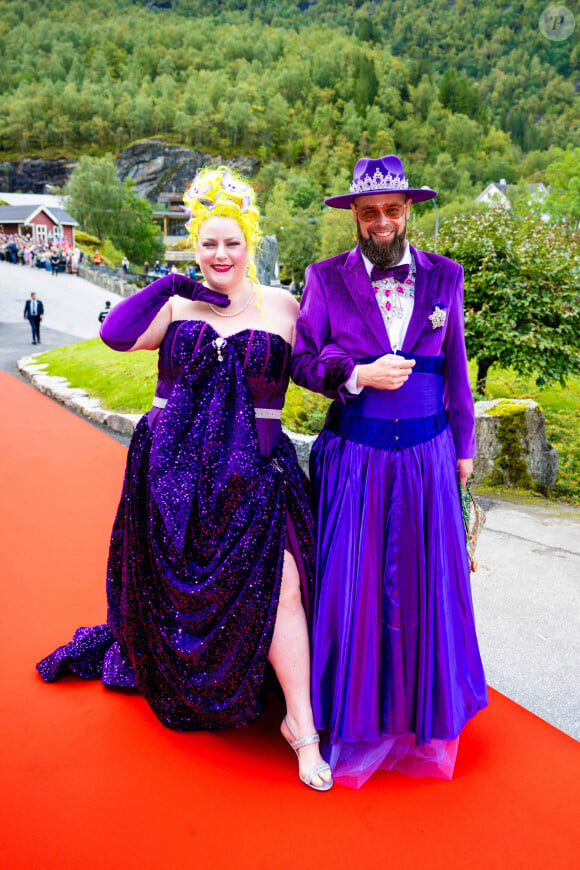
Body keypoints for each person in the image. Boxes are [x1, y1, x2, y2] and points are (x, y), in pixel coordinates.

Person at [37, 167, 332, 792]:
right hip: (173, 479)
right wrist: (171, 286)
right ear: (194, 247)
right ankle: (193, 678)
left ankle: (302, 731)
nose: (220, 255)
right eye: (208, 244)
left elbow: (318, 369)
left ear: (250, 242)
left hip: (255, 478)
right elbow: (114, 335)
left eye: (231, 242)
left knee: (282, 586)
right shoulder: (174, 305)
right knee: (177, 594)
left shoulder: (282, 307)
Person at [291, 154, 488, 788]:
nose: (381, 221)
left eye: (392, 210)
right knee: (356, 586)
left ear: (410, 211)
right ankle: (353, 716)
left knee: (428, 585)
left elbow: (456, 367)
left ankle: (420, 717)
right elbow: (301, 359)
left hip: (429, 455)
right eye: (369, 211)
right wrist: (353, 374)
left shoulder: (446, 277)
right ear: (354, 214)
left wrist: (464, 448)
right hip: (357, 455)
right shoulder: (324, 278)